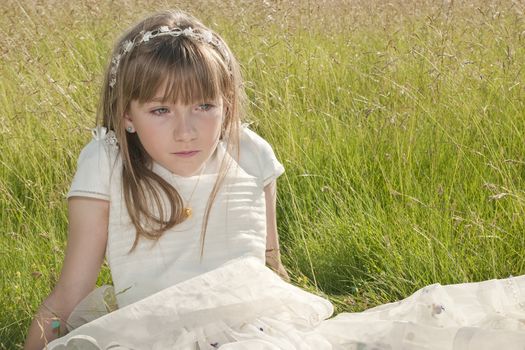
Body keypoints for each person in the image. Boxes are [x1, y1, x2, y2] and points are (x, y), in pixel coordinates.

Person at [24, 9, 525, 350]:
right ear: (127, 116)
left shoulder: (249, 152)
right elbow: (72, 289)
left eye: (204, 106)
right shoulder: (108, 161)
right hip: (152, 332)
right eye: (160, 109)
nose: (186, 129)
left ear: (226, 104)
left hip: (254, 330)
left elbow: (270, 265)